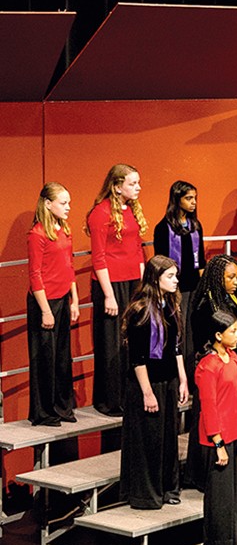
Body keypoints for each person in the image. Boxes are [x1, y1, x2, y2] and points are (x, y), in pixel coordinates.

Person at [119, 255, 188, 509]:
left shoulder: (170, 305)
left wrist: (182, 379)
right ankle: (146, 494)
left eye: (175, 275)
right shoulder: (140, 310)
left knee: (168, 438)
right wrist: (147, 393)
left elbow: (176, 346)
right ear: (155, 279)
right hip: (147, 384)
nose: (176, 280)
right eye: (170, 276)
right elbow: (137, 359)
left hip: (168, 380)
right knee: (149, 439)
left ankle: (168, 486)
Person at [87, 163, 147, 416]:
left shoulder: (131, 209)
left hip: (133, 282)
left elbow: (138, 249)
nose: (138, 188)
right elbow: (98, 257)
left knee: (131, 340)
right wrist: (109, 295)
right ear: (117, 186)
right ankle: (110, 400)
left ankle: (129, 395)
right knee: (111, 342)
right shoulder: (100, 213)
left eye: (138, 182)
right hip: (110, 284)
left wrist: (143, 286)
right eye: (133, 183)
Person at [184, 254, 237, 490]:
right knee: (206, 419)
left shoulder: (228, 298)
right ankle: (199, 474)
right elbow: (202, 340)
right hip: (212, 369)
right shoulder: (206, 305)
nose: (235, 282)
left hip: (228, 364)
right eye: (230, 277)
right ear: (218, 278)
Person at [195, 310, 237, 545]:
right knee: (220, 498)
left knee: (234, 495)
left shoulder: (233, 357)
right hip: (218, 439)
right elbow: (209, 407)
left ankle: (230, 544)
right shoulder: (208, 366)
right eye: (233, 331)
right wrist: (218, 443)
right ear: (218, 335)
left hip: (236, 433)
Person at [26, 182, 78, 426]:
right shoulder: (37, 234)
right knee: (45, 358)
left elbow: (69, 266)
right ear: (48, 204)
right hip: (44, 303)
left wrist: (74, 300)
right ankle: (44, 411)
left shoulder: (64, 228)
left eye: (69, 203)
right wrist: (46, 311)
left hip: (63, 299)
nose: (68, 207)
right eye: (63, 203)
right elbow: (35, 275)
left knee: (62, 358)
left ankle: (62, 406)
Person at [153, 180, 204, 380]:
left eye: (195, 198)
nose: (193, 202)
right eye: (188, 198)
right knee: (178, 331)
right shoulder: (163, 228)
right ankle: (177, 378)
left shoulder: (195, 226)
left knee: (192, 331)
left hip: (194, 287)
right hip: (174, 289)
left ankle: (191, 376)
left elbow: (201, 260)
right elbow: (160, 263)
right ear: (177, 199)